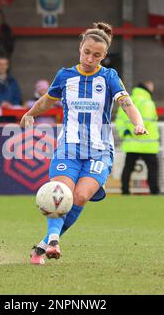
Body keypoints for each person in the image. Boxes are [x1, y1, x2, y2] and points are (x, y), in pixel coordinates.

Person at [20, 22, 148, 265]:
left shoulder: (109, 77)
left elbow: (126, 102)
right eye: (87, 52)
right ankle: (54, 241)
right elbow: (47, 101)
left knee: (79, 197)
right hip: (68, 147)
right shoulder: (65, 76)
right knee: (61, 193)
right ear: (80, 48)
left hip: (99, 151)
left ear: (104, 56)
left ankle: (42, 245)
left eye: (97, 55)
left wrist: (137, 123)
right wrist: (31, 113)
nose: (90, 58)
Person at [115, 81, 160, 195]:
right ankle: (154, 191)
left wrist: (126, 131)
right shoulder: (148, 102)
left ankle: (125, 191)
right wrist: (137, 130)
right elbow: (147, 120)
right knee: (152, 168)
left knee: (128, 168)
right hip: (147, 143)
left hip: (131, 143)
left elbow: (120, 119)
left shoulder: (127, 100)